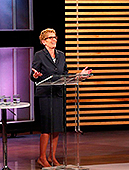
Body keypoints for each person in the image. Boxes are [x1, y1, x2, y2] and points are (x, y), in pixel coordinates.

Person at [30, 28, 92, 167]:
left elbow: (65, 74)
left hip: (58, 93)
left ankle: (52, 157)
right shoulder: (39, 55)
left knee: (56, 127)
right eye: (50, 38)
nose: (54, 40)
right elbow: (33, 74)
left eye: (55, 37)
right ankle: (42, 158)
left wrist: (79, 75)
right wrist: (35, 76)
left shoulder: (61, 55)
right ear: (43, 41)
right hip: (46, 94)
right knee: (47, 128)